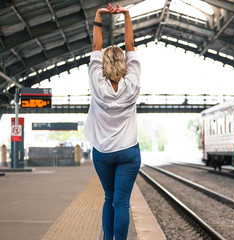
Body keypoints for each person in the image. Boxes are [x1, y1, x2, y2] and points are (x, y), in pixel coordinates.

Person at [84, 3, 141, 240]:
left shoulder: (97, 83)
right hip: (129, 151)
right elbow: (130, 46)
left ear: (104, 64)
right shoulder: (133, 83)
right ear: (124, 64)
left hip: (103, 152)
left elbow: (97, 46)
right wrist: (126, 15)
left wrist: (99, 15)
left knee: (109, 197)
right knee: (122, 202)